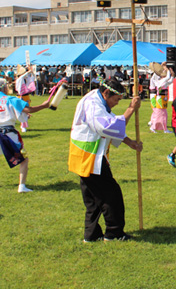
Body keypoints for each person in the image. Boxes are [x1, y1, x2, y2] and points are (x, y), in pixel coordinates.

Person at [68, 79, 142, 242]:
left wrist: (129, 142)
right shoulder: (93, 103)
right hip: (90, 156)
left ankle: (92, 235)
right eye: (116, 100)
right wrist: (130, 109)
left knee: (93, 198)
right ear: (106, 93)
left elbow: (110, 123)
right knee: (111, 194)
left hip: (86, 154)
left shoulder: (98, 100)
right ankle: (114, 233)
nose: (116, 104)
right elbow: (107, 127)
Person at [0, 78, 50, 192]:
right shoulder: (11, 99)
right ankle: (22, 186)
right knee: (23, 160)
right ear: (4, 87)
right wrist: (43, 105)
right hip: (7, 136)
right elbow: (28, 109)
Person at [149, 63, 173, 133]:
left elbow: (169, 80)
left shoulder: (161, 82)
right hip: (159, 99)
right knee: (159, 113)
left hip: (162, 99)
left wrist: (172, 75)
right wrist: (167, 69)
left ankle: (163, 128)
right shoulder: (159, 81)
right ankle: (154, 126)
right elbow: (167, 77)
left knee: (162, 114)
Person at [15, 65, 36, 133]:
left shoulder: (25, 79)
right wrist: (28, 72)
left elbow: (32, 79)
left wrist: (31, 72)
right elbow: (22, 77)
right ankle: (23, 125)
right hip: (21, 97)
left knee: (26, 111)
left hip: (26, 96)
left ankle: (23, 125)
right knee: (21, 111)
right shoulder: (19, 79)